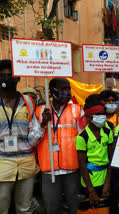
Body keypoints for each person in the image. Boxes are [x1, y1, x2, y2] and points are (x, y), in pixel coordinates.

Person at [0, 59, 50, 214]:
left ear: (18, 78)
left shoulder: (28, 101)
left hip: (27, 165)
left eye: (11, 75)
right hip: (2, 165)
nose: (7, 79)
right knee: (2, 208)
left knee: (24, 208)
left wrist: (42, 126)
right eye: (3, 76)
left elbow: (32, 139)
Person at [36, 78, 83, 214]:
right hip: (49, 170)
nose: (67, 92)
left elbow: (84, 139)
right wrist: (42, 125)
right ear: (52, 91)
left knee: (75, 207)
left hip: (72, 170)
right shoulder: (40, 111)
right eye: (63, 89)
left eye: (68, 88)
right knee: (52, 208)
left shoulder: (77, 110)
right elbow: (31, 140)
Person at [75, 94, 114, 206]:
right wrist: (91, 191)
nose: (102, 117)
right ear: (88, 117)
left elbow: (111, 159)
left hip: (106, 179)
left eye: (103, 114)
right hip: (89, 183)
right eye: (98, 114)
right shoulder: (82, 137)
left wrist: (107, 183)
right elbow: (82, 165)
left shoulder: (107, 132)